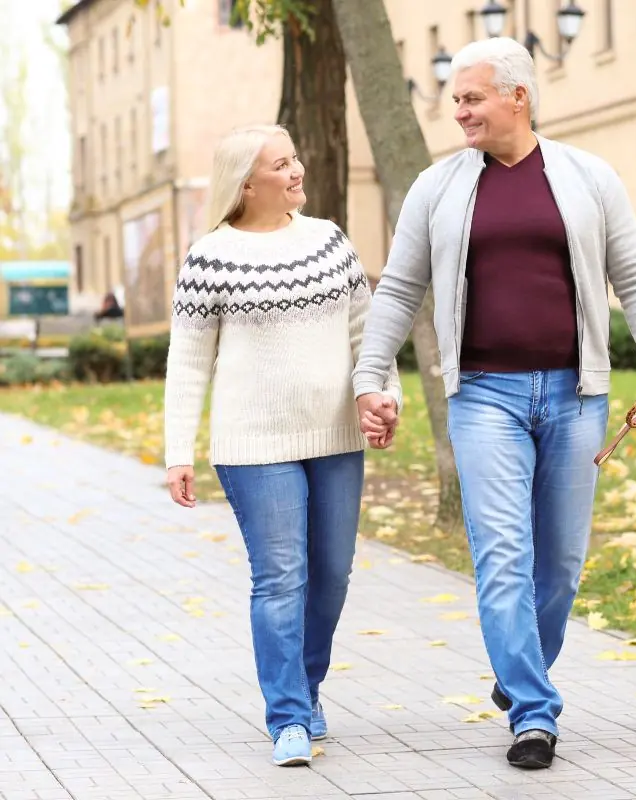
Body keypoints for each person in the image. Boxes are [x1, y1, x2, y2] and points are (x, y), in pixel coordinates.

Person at [351, 37, 636, 770]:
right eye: (456, 101)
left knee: (561, 564)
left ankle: (518, 668)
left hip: (575, 395)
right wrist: (369, 377)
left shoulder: (588, 177)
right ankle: (534, 712)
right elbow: (401, 288)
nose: (460, 111)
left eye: (472, 98)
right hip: (483, 397)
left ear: (518, 96)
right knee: (503, 556)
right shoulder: (436, 188)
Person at [162, 124, 400, 767]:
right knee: (280, 579)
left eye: (295, 157)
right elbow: (187, 362)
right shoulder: (209, 256)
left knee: (331, 574)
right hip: (253, 443)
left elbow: (365, 332)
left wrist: (382, 395)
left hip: (335, 436)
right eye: (282, 163)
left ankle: (307, 684)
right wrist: (176, 452)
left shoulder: (328, 241)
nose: (298, 170)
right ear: (247, 183)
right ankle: (289, 716)